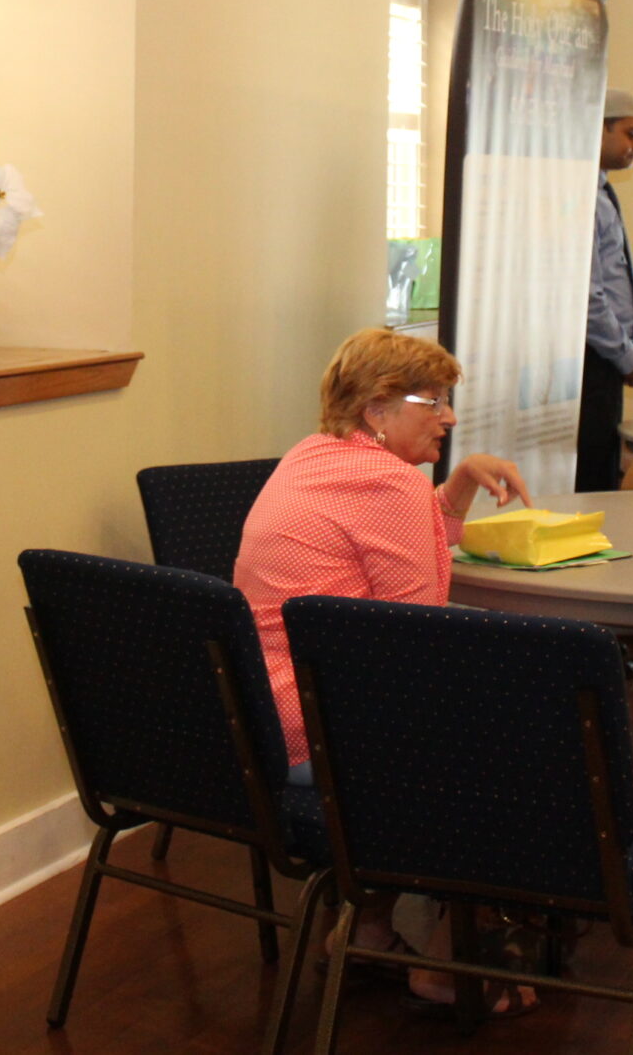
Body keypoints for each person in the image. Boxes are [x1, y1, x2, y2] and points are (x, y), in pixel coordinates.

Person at [233, 328, 538, 1013]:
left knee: (435, 714)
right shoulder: (391, 484)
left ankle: (365, 931)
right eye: (433, 401)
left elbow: (394, 543)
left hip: (268, 709)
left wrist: (457, 485)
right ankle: (450, 960)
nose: (449, 417)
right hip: (324, 728)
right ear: (376, 409)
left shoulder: (313, 457)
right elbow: (418, 642)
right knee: (518, 738)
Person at [579, 87, 633, 492]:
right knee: (594, 478)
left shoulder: (601, 192)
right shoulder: (583, 197)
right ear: (598, 129)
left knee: (606, 469)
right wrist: (625, 356)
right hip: (593, 360)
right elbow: (588, 296)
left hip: (605, 360)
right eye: (630, 133)